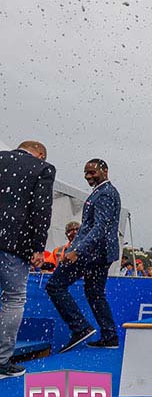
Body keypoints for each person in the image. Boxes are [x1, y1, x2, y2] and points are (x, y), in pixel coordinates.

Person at [46, 159, 121, 352]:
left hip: (91, 253)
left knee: (55, 285)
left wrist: (77, 251)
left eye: (92, 172)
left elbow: (100, 228)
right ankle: (109, 335)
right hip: (100, 252)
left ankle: (80, 327)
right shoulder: (103, 192)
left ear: (105, 170)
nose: (88, 176)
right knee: (95, 293)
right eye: (86, 173)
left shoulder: (105, 193)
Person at [0, 141, 55, 379]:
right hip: (14, 244)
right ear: (40, 154)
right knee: (13, 299)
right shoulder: (42, 168)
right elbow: (41, 210)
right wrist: (38, 248)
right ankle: (1, 360)